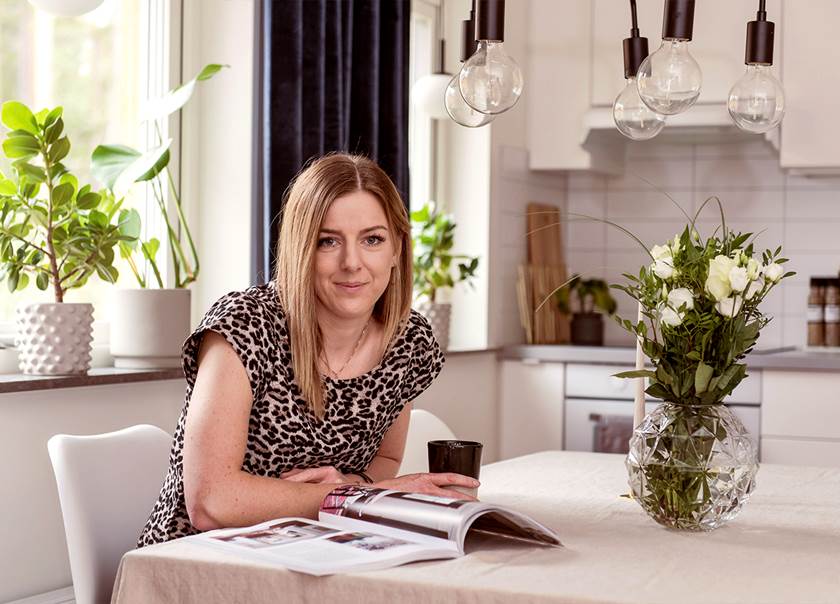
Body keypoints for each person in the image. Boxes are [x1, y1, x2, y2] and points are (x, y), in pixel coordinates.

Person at [137, 153, 478, 546]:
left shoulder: (407, 341)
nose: (352, 263)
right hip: (196, 561)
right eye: (328, 241)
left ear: (397, 249)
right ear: (301, 248)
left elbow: (384, 462)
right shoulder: (244, 325)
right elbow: (211, 502)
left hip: (315, 551)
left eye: (372, 239)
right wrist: (358, 497)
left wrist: (353, 484)